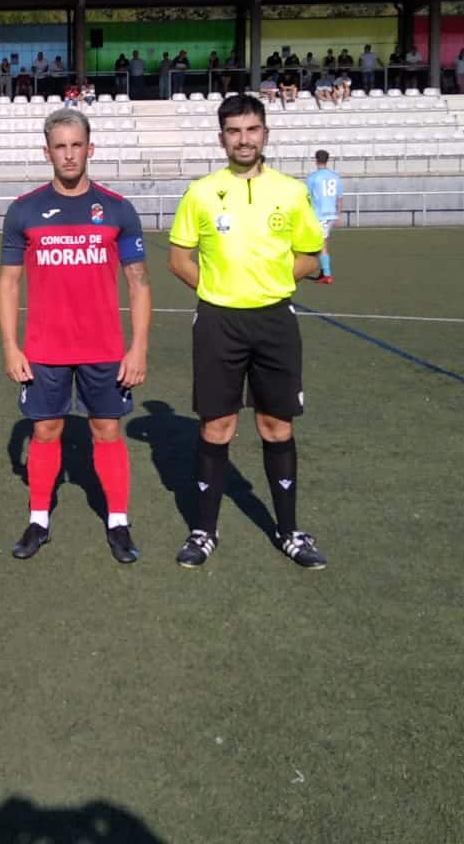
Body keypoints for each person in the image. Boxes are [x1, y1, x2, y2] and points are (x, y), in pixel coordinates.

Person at [166, 94, 327, 571]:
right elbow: (178, 259)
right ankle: (204, 531)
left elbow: (311, 256)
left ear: (265, 134)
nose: (244, 139)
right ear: (222, 139)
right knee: (217, 426)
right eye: (234, 131)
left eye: (252, 129)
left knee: (277, 425)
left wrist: (270, 283)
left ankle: (289, 531)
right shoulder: (201, 192)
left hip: (275, 320)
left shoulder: (291, 192)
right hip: (219, 322)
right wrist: (219, 291)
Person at [0, 108, 151, 563]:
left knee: (107, 429)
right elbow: (8, 282)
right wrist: (11, 346)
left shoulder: (118, 209)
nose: (69, 154)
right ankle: (38, 519)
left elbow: (139, 283)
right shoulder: (24, 210)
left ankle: (118, 522)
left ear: (90, 148)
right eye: (60, 146)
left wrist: (138, 347)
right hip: (45, 348)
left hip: (104, 347)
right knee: (45, 430)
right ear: (47, 152)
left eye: (76, 145)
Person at [306, 150, 341, 284]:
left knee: (320, 246)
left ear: (316, 160)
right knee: (322, 244)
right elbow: (340, 197)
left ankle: (326, 274)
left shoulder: (313, 178)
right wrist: (338, 214)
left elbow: (307, 197)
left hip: (319, 216)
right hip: (331, 214)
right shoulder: (335, 177)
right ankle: (324, 271)